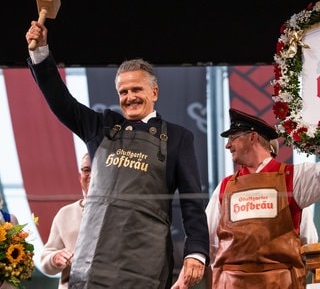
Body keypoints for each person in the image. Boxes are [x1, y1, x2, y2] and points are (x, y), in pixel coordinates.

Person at [25, 21, 210, 289]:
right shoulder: (99, 128)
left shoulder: (179, 138)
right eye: (123, 92)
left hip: (146, 265)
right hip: (94, 263)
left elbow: (192, 202)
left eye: (137, 90)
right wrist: (41, 52)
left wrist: (196, 252)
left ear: (154, 92)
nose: (130, 97)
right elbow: (59, 99)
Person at [172, 108, 320, 289]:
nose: (227, 145)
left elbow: (309, 243)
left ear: (252, 137)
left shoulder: (293, 178)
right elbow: (207, 238)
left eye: (233, 137)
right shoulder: (225, 186)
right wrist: (184, 278)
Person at [40, 153, 91, 289]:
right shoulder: (65, 214)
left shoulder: (121, 212)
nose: (91, 175)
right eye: (86, 170)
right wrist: (55, 258)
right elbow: (46, 259)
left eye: (96, 170)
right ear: (79, 176)